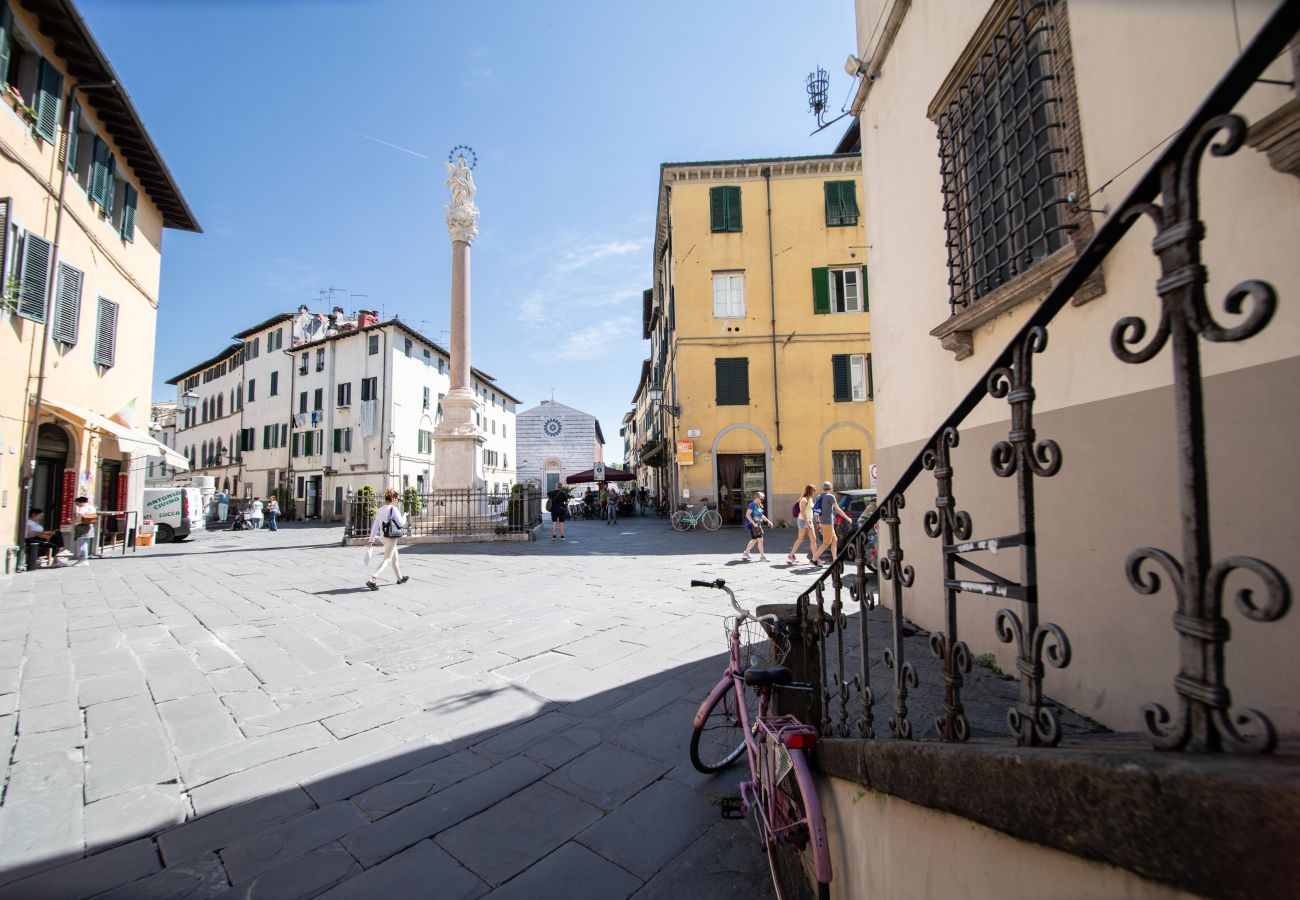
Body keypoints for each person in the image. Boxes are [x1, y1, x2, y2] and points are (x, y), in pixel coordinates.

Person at [366, 487, 410, 590]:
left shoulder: (380, 510)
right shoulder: (393, 509)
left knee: (395, 557)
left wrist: (371, 539)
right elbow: (401, 523)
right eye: (397, 499)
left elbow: (375, 525)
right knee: (387, 559)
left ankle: (399, 578)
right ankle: (373, 579)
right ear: (393, 498)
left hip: (383, 537)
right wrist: (404, 516)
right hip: (391, 537)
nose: (397, 501)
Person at [812, 481, 851, 566]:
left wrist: (818, 522)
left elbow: (816, 511)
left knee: (834, 540)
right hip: (828, 523)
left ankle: (835, 559)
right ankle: (814, 559)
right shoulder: (830, 496)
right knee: (826, 543)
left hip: (823, 522)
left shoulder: (819, 497)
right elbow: (838, 509)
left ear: (823, 488)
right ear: (830, 488)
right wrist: (847, 518)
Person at [787, 484, 819, 565]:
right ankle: (791, 555)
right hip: (803, 521)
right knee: (800, 539)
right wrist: (807, 523)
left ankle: (815, 558)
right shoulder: (804, 499)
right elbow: (802, 512)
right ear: (810, 491)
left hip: (809, 521)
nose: (815, 492)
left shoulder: (810, 499)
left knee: (813, 539)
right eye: (814, 490)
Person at [743, 491, 774, 561]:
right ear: (756, 498)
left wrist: (768, 521)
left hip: (757, 524)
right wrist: (753, 523)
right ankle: (763, 557)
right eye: (761, 499)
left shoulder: (758, 504)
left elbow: (761, 515)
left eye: (763, 499)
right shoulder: (752, 504)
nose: (762, 500)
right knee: (760, 539)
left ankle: (746, 553)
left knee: (754, 540)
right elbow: (747, 515)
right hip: (754, 525)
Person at [72, 496, 97, 565]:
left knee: (82, 544)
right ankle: (82, 559)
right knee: (85, 543)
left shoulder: (82, 508)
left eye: (77, 504)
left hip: (81, 527)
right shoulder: (92, 507)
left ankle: (84, 559)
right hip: (90, 527)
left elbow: (79, 519)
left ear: (80, 503)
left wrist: (72, 521)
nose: (77, 505)